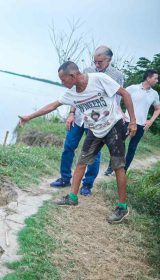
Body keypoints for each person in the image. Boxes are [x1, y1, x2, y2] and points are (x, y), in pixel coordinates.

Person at [19, 61, 137, 224]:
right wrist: (29, 116)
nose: (62, 83)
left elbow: (125, 94)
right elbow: (53, 105)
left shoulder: (99, 79)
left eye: (63, 79)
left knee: (118, 166)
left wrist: (132, 121)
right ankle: (73, 197)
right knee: (81, 162)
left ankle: (122, 206)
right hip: (94, 129)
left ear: (73, 75)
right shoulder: (71, 93)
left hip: (114, 127)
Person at [50, 46, 124, 197]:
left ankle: (87, 185)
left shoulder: (116, 75)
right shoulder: (88, 70)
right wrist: (71, 113)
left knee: (93, 155)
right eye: (95, 61)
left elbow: (118, 98)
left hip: (99, 121)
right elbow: (76, 94)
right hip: (79, 118)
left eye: (100, 62)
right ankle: (65, 178)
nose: (97, 65)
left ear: (109, 60)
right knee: (68, 146)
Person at [104, 69, 160, 174]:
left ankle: (123, 171)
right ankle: (111, 168)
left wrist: (150, 121)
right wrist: (121, 113)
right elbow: (117, 98)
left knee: (132, 147)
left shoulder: (154, 94)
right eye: (155, 78)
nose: (157, 80)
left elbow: (158, 109)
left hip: (141, 125)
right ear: (148, 78)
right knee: (118, 144)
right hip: (127, 122)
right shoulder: (132, 88)